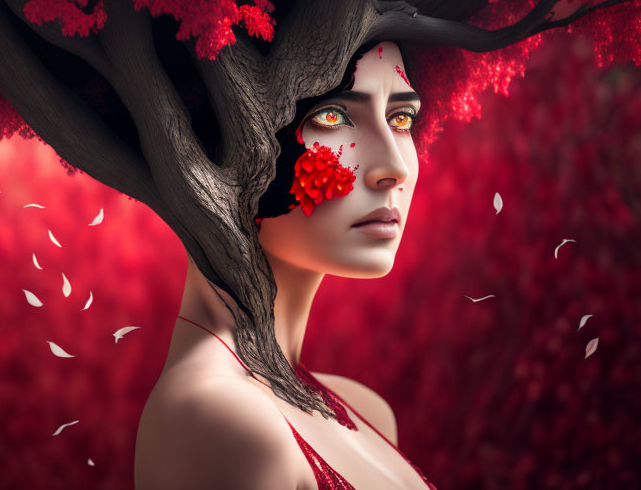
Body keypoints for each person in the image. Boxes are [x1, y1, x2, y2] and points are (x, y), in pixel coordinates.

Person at [134, 41, 437, 490]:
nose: (393, 167)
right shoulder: (222, 424)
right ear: (207, 142)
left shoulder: (366, 412)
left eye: (401, 118)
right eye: (330, 116)